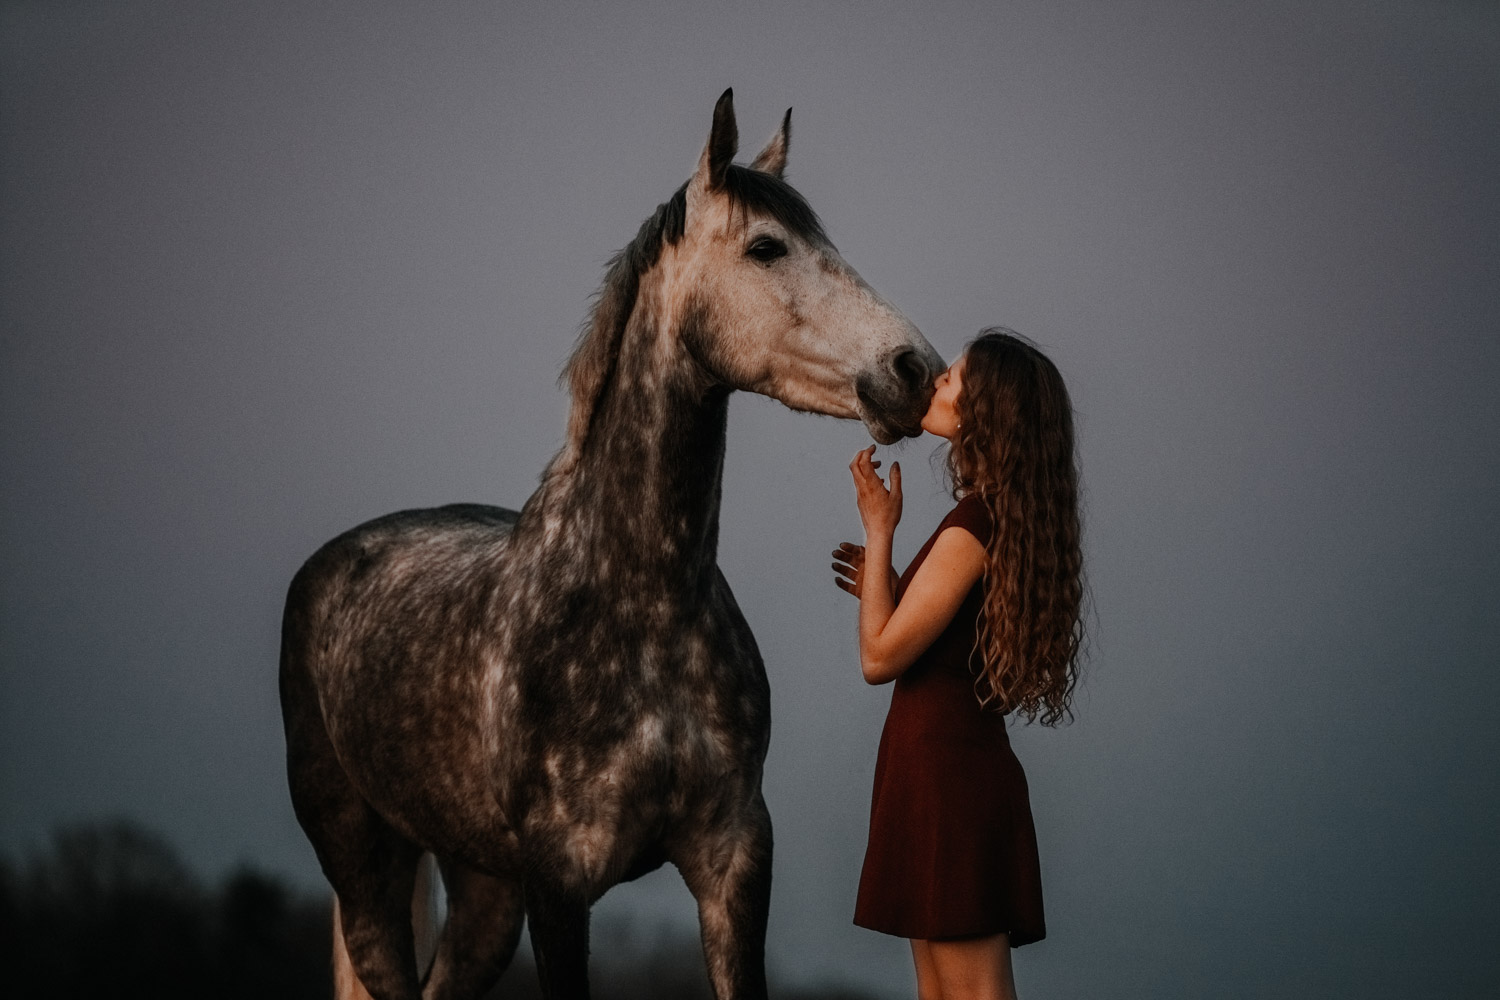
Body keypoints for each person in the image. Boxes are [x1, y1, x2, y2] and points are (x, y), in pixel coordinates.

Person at [833, 328, 1085, 1000]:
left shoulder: (976, 522)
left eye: (954, 379)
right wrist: (882, 579)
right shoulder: (996, 518)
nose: (938, 380)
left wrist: (880, 528)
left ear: (987, 411)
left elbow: (879, 656)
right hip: (936, 769)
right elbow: (936, 635)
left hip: (948, 777)